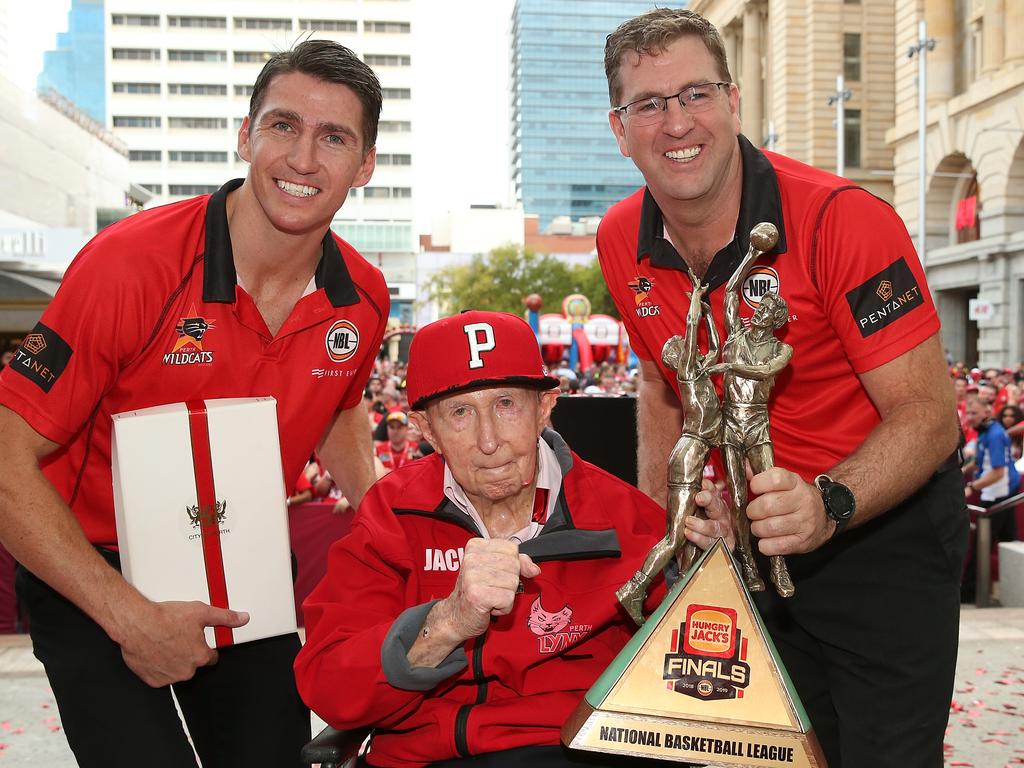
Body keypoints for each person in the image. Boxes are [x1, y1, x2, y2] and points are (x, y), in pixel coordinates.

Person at [0, 40, 389, 768]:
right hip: (91, 563)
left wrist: (387, 522)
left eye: (333, 137)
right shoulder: (130, 264)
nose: (304, 158)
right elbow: (4, 457)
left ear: (364, 167)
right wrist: (128, 617)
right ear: (245, 135)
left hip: (240, 559)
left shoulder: (363, 298)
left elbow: (338, 408)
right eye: (283, 126)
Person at [597, 9, 965, 767]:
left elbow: (931, 416)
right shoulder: (616, 238)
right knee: (765, 757)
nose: (676, 123)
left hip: (877, 533)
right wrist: (666, 523)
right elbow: (664, 388)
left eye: (695, 94)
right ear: (618, 127)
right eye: (649, 105)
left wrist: (827, 502)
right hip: (745, 550)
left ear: (733, 100)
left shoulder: (843, 219)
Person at [294, 310, 733, 767]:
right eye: (460, 412)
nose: (489, 441)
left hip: (569, 753)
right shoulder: (392, 515)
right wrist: (445, 623)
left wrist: (720, 578)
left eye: (506, 404)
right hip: (421, 757)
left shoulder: (626, 518)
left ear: (545, 408)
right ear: (427, 430)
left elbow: (710, 685)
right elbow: (329, 687)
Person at [617, 270, 720, 624]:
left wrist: (709, 309)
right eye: (683, 348)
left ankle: (685, 595)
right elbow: (693, 331)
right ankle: (636, 587)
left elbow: (717, 344)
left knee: (690, 531)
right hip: (690, 451)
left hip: (696, 449)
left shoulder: (704, 368)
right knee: (676, 533)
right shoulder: (688, 372)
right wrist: (696, 303)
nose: (689, 347)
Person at [704, 225, 794, 597]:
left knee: (770, 495)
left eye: (768, 311)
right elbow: (729, 296)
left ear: (776, 320)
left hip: (757, 423)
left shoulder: (780, 351)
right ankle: (748, 562)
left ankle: (779, 564)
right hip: (730, 424)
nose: (759, 313)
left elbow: (762, 372)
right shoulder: (736, 333)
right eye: (760, 308)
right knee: (738, 499)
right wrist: (751, 256)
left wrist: (726, 368)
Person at [962, 395, 1020, 602]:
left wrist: (971, 487)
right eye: (968, 413)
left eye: (974, 413)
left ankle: (969, 594)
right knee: (1006, 543)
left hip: (999, 496)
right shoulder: (984, 433)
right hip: (997, 494)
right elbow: (977, 462)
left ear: (987, 412)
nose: (970, 417)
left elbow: (997, 472)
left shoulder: (994, 434)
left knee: (983, 547)